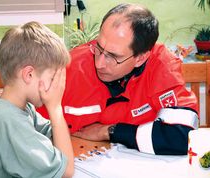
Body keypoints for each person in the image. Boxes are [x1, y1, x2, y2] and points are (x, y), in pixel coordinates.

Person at [37, 3, 199, 155]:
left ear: (140, 58)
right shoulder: (68, 67)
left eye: (113, 56)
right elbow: (22, 123)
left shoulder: (162, 66)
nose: (99, 63)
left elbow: (184, 136)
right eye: (99, 47)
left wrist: (109, 131)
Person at [0, 21, 74, 178]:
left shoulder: (18, 107)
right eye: (52, 78)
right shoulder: (7, 120)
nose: (56, 87)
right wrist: (56, 108)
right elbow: (67, 171)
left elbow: (52, 133)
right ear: (28, 74)